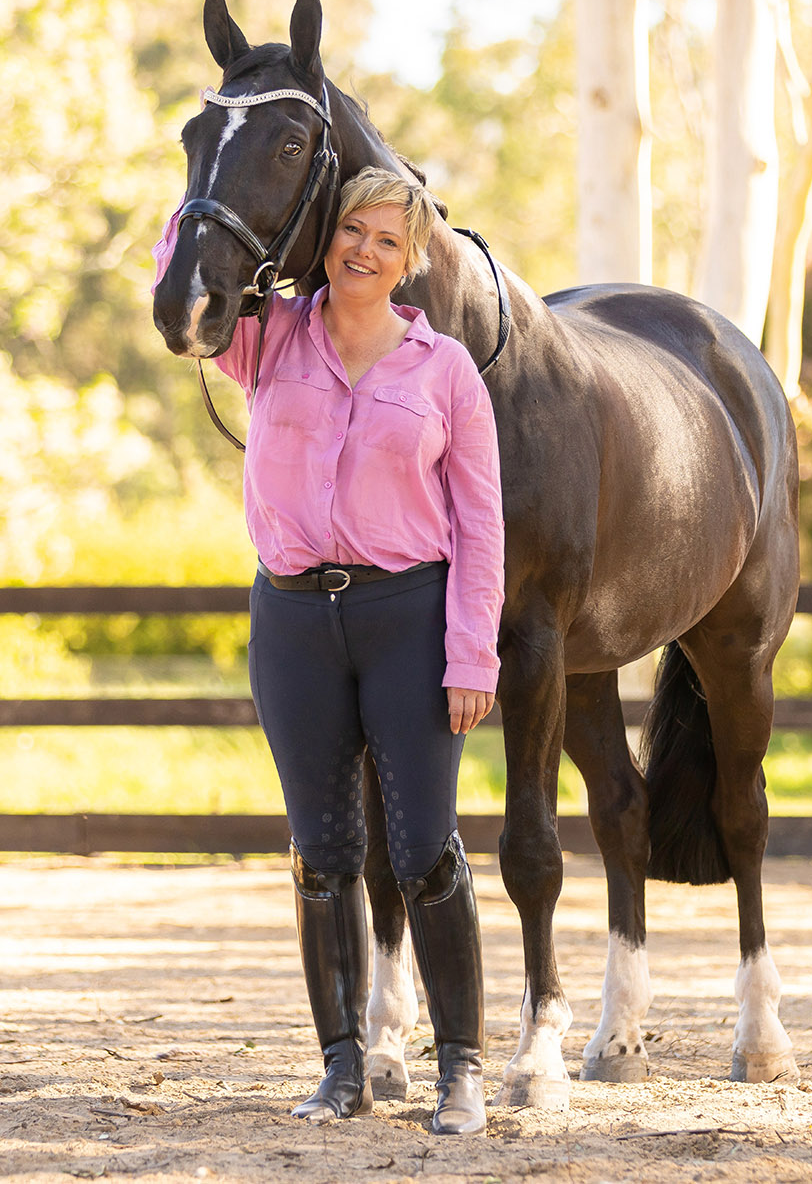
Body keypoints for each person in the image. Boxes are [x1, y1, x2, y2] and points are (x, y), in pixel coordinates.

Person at [158, 166, 503, 1135]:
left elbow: (480, 526)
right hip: (295, 625)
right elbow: (178, 272)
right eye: (351, 229)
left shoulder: (443, 373)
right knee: (320, 854)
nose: (363, 250)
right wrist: (216, 181)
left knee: (423, 849)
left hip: (410, 618)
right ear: (327, 234)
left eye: (387, 240)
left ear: (411, 260)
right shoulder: (266, 341)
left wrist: (470, 653)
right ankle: (341, 1070)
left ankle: (460, 1070)